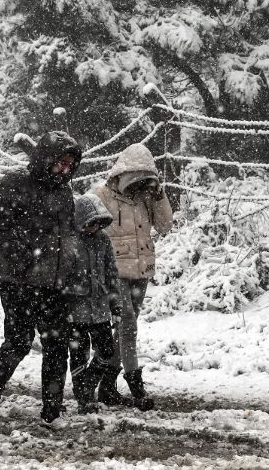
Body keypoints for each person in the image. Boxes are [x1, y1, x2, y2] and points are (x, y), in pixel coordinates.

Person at [0, 130, 82, 429]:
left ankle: (52, 412)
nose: (65, 169)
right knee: (18, 343)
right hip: (18, 281)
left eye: (69, 165)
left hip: (55, 282)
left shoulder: (64, 192)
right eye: (60, 162)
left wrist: (70, 262)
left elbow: (69, 232)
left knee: (56, 345)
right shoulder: (15, 183)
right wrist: (24, 258)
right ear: (46, 158)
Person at [92, 143, 173, 411]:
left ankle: (106, 384)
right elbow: (83, 225)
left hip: (141, 272)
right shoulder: (100, 195)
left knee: (123, 331)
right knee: (127, 328)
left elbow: (164, 226)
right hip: (114, 274)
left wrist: (159, 196)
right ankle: (136, 387)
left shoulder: (146, 197)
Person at [63, 193, 122, 414]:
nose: (94, 228)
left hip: (100, 310)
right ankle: (84, 398)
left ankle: (88, 382)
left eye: (98, 223)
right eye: (90, 223)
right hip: (75, 311)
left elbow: (111, 274)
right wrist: (65, 307)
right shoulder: (70, 242)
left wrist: (115, 306)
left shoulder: (103, 240)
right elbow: (61, 278)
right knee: (79, 355)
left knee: (106, 351)